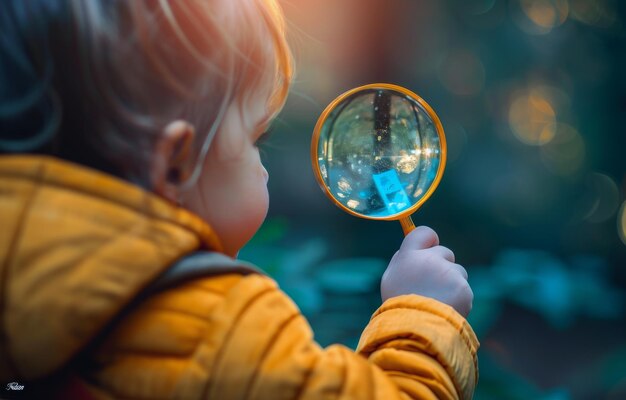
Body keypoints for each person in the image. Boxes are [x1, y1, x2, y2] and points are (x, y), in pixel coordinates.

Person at [0, 0, 478, 399]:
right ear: (174, 165)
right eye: (256, 140)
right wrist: (421, 316)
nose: (264, 167)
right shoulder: (222, 330)